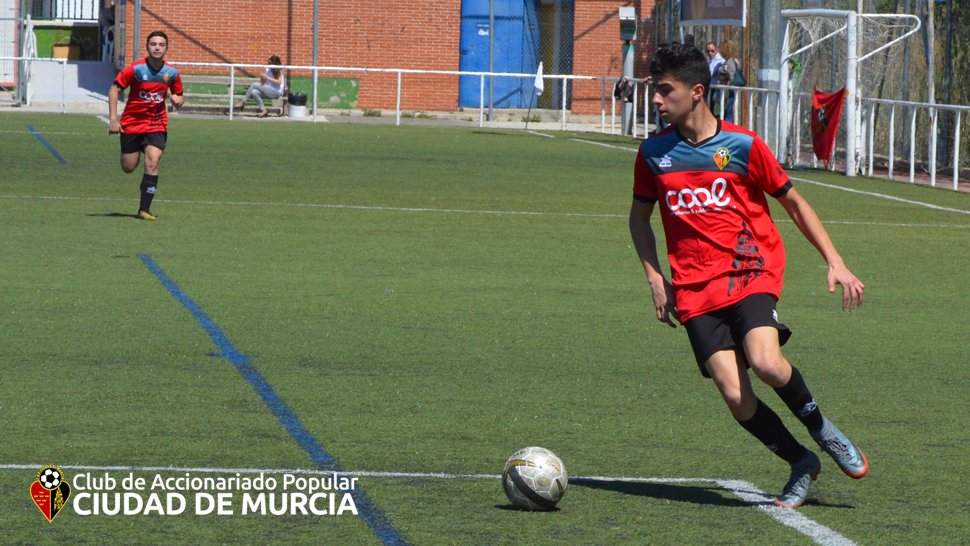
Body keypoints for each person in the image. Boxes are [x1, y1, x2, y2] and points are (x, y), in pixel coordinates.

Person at [628, 43, 869, 508]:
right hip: (694, 290)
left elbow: (793, 203)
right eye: (654, 89)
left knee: (766, 362)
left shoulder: (743, 145)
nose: (656, 99)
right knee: (737, 398)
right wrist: (656, 279)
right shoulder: (653, 153)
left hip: (749, 271)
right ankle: (801, 461)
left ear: (697, 92)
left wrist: (834, 260)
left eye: (664, 89)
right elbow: (639, 220)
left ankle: (822, 430)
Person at [108, 30, 184, 221]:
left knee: (153, 161)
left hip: (156, 124)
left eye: (161, 45)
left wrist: (178, 100)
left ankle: (144, 209)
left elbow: (179, 95)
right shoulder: (135, 69)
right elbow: (114, 89)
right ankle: (134, 156)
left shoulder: (172, 73)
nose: (157, 48)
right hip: (132, 124)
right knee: (128, 166)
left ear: (166, 48)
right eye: (153, 44)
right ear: (147, 47)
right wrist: (113, 119)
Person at [716, 40, 741, 123]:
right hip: (728, 89)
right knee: (726, 109)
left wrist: (727, 84)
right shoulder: (731, 60)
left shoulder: (730, 61)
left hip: (728, 90)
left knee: (727, 110)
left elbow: (731, 74)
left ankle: (726, 126)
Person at [705, 42, 724, 111]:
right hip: (711, 89)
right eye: (708, 51)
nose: (710, 53)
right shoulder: (711, 61)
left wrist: (717, 93)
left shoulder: (720, 61)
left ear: (717, 50)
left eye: (712, 51)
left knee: (715, 111)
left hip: (716, 89)